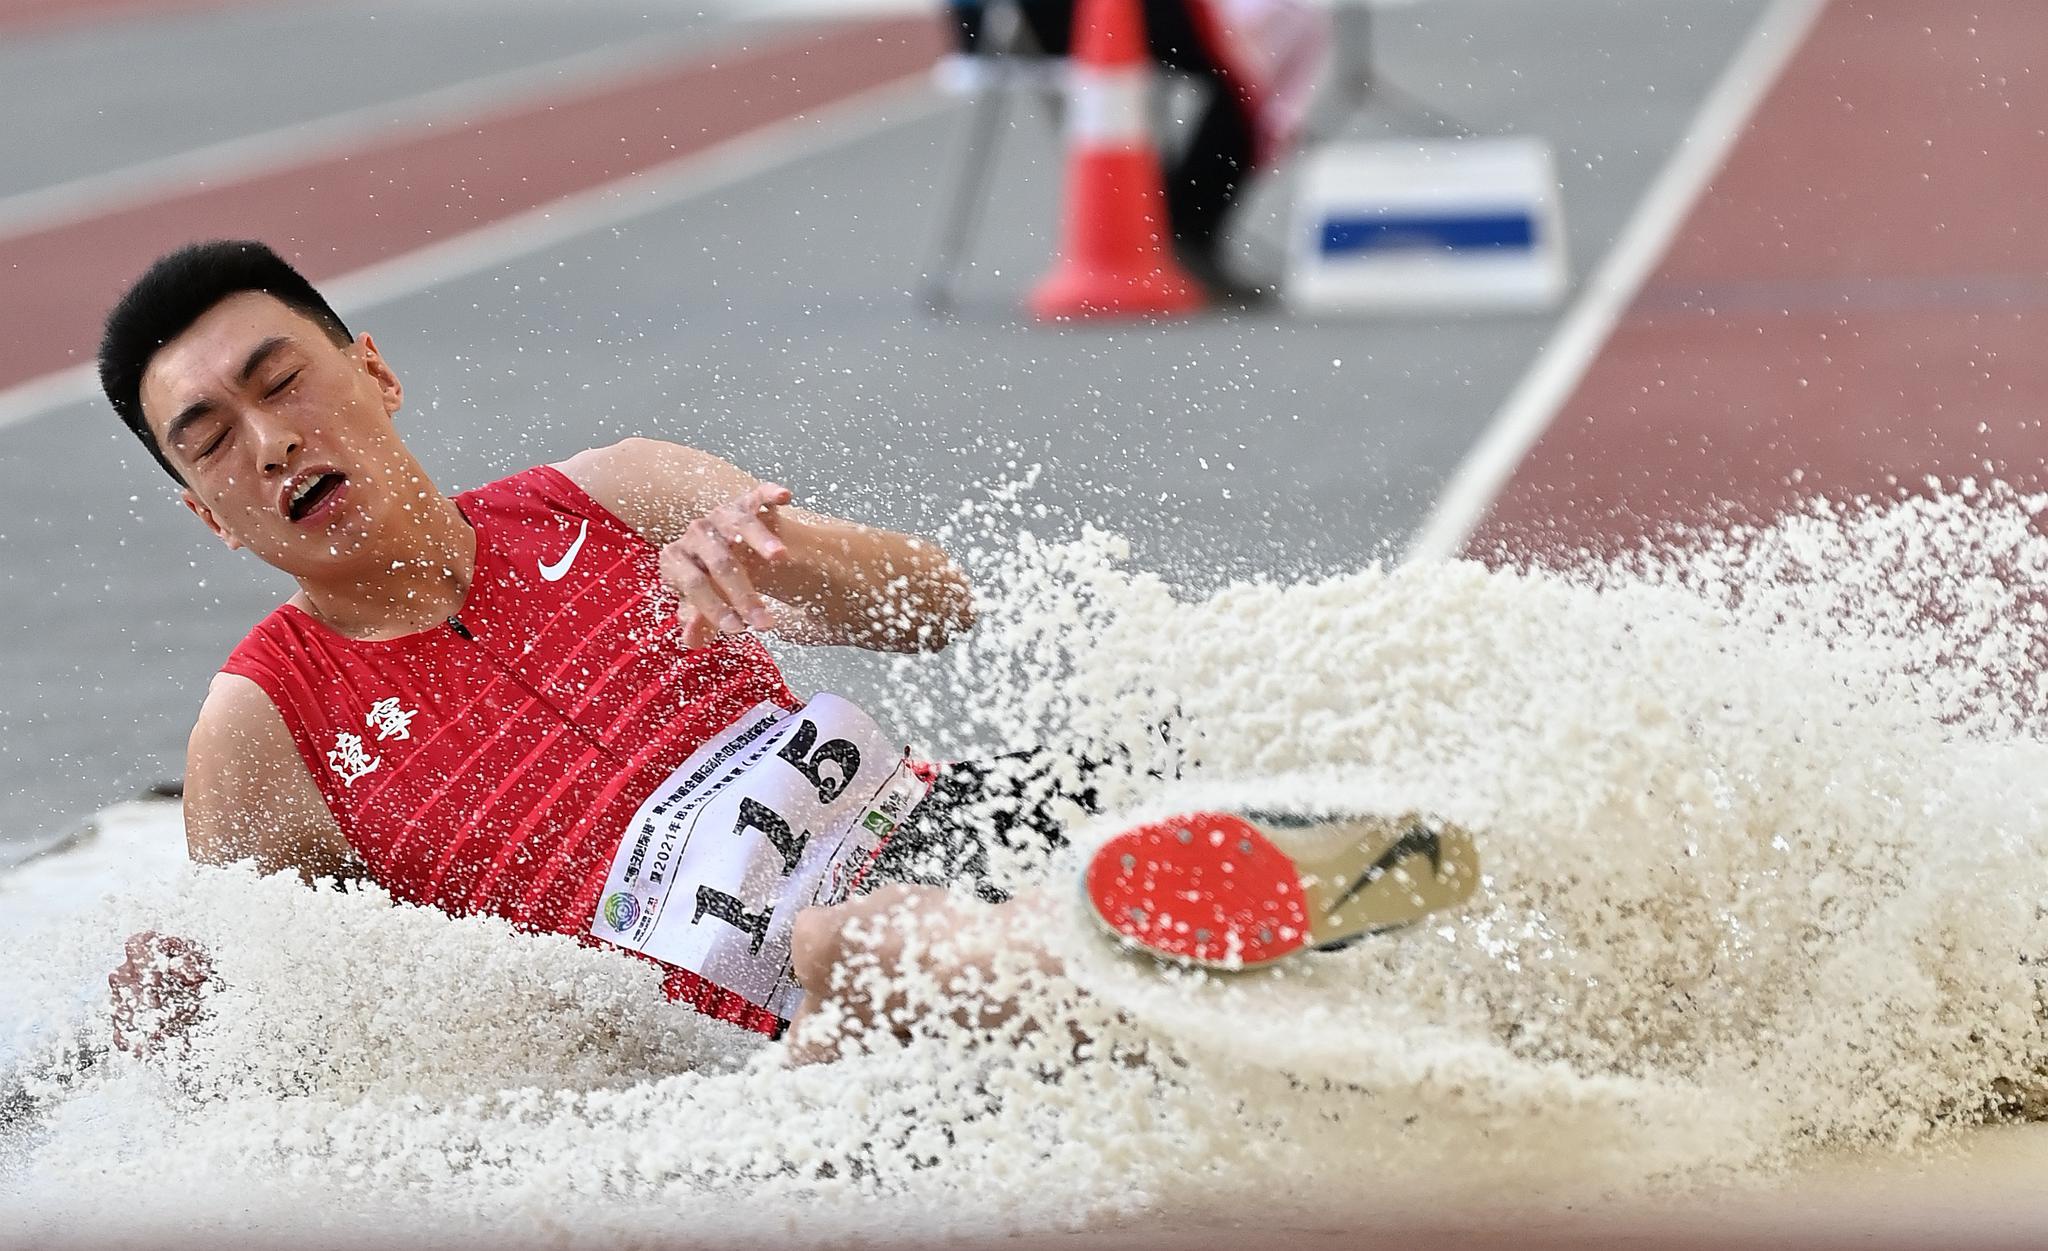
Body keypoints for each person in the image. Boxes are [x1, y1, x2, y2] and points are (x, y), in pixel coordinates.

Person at [98, 240, 1475, 1064]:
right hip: (765, 1022)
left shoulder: (617, 490)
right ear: (202, 513)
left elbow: (936, 603)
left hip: (951, 815)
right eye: (209, 435)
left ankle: (1316, 911)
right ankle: (1202, 965)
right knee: (852, 937)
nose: (269, 441)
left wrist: (778, 564)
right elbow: (268, 1018)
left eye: (280, 381)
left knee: (1167, 763)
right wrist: (174, 1003)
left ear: (375, 374)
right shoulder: (262, 727)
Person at [948, 0, 1328, 297]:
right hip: (1032, 18)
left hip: (1002, 19)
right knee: (1248, 57)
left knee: (1258, 39)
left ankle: (1176, 229)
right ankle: (1184, 232)